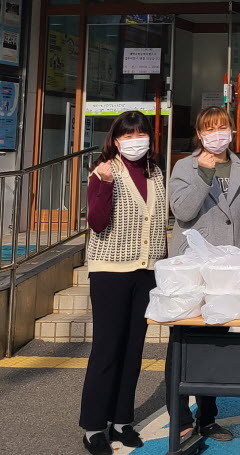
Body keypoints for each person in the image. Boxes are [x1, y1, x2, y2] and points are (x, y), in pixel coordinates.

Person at [165, 106, 240, 443]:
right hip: (192, 268)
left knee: (216, 344)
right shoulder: (184, 167)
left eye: (223, 127)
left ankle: (208, 416)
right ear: (200, 134)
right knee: (184, 340)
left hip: (228, 270)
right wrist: (204, 176)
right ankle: (181, 414)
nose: (217, 134)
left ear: (232, 130)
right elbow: (183, 211)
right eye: (210, 128)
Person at [79, 111, 168, 455]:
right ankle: (93, 426)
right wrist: (102, 185)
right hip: (110, 272)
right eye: (128, 135)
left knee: (133, 349)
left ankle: (121, 421)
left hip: (146, 271)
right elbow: (98, 223)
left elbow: (159, 221)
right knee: (107, 349)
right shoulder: (105, 170)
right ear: (116, 140)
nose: (135, 141)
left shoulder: (155, 172)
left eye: (141, 134)